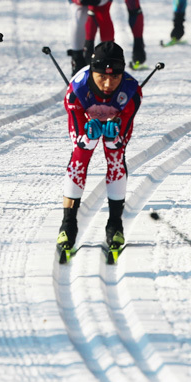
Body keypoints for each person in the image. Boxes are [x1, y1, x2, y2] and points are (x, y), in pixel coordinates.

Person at [56, 41, 141, 263]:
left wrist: (113, 138)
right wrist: (88, 137)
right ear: (92, 70)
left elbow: (119, 142)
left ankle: (115, 224)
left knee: (114, 156)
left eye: (114, 77)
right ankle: (68, 224)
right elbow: (79, 143)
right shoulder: (77, 90)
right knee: (80, 156)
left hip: (117, 117)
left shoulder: (132, 91)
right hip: (84, 116)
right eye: (101, 76)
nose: (108, 83)